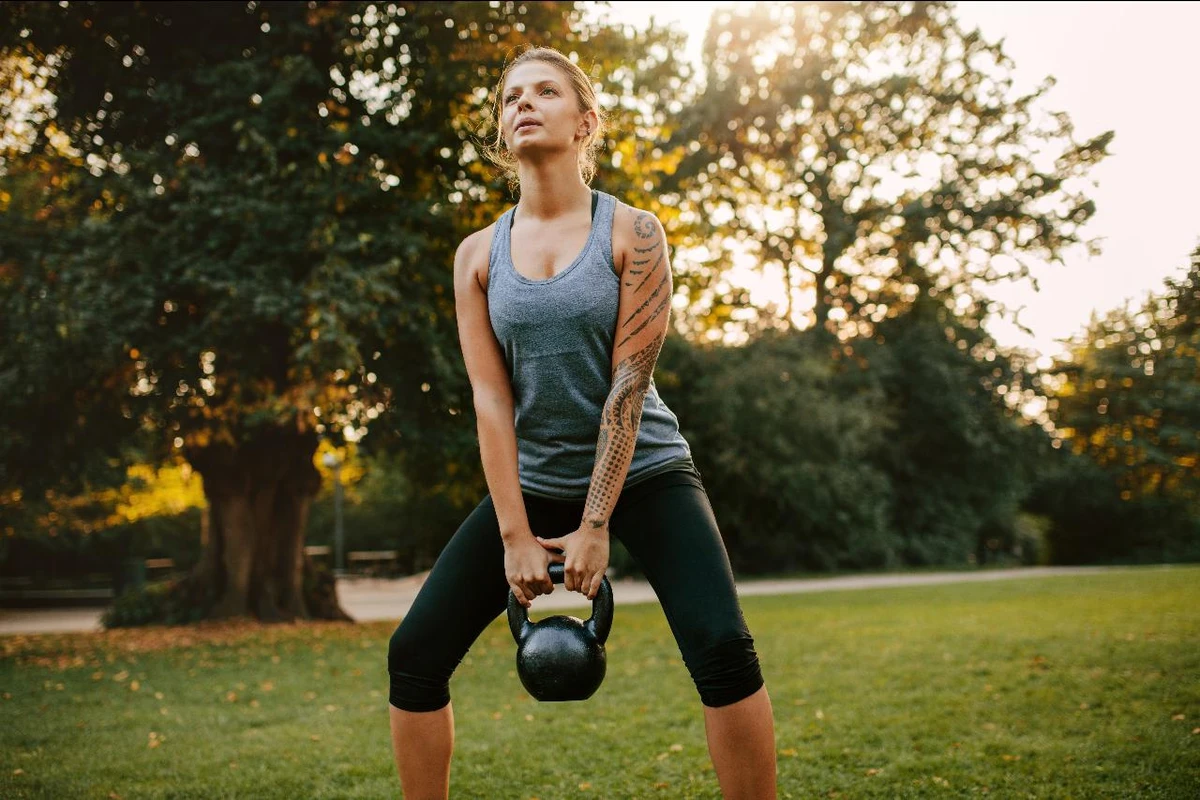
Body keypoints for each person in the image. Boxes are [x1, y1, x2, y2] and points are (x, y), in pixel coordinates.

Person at [387, 45, 778, 799]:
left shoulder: (634, 234)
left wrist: (596, 523)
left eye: (544, 92)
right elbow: (491, 401)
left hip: (647, 471)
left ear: (585, 120)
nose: (523, 104)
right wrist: (513, 536)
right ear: (503, 131)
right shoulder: (477, 256)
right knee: (416, 652)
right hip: (533, 482)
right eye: (510, 98)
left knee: (724, 649)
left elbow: (627, 388)